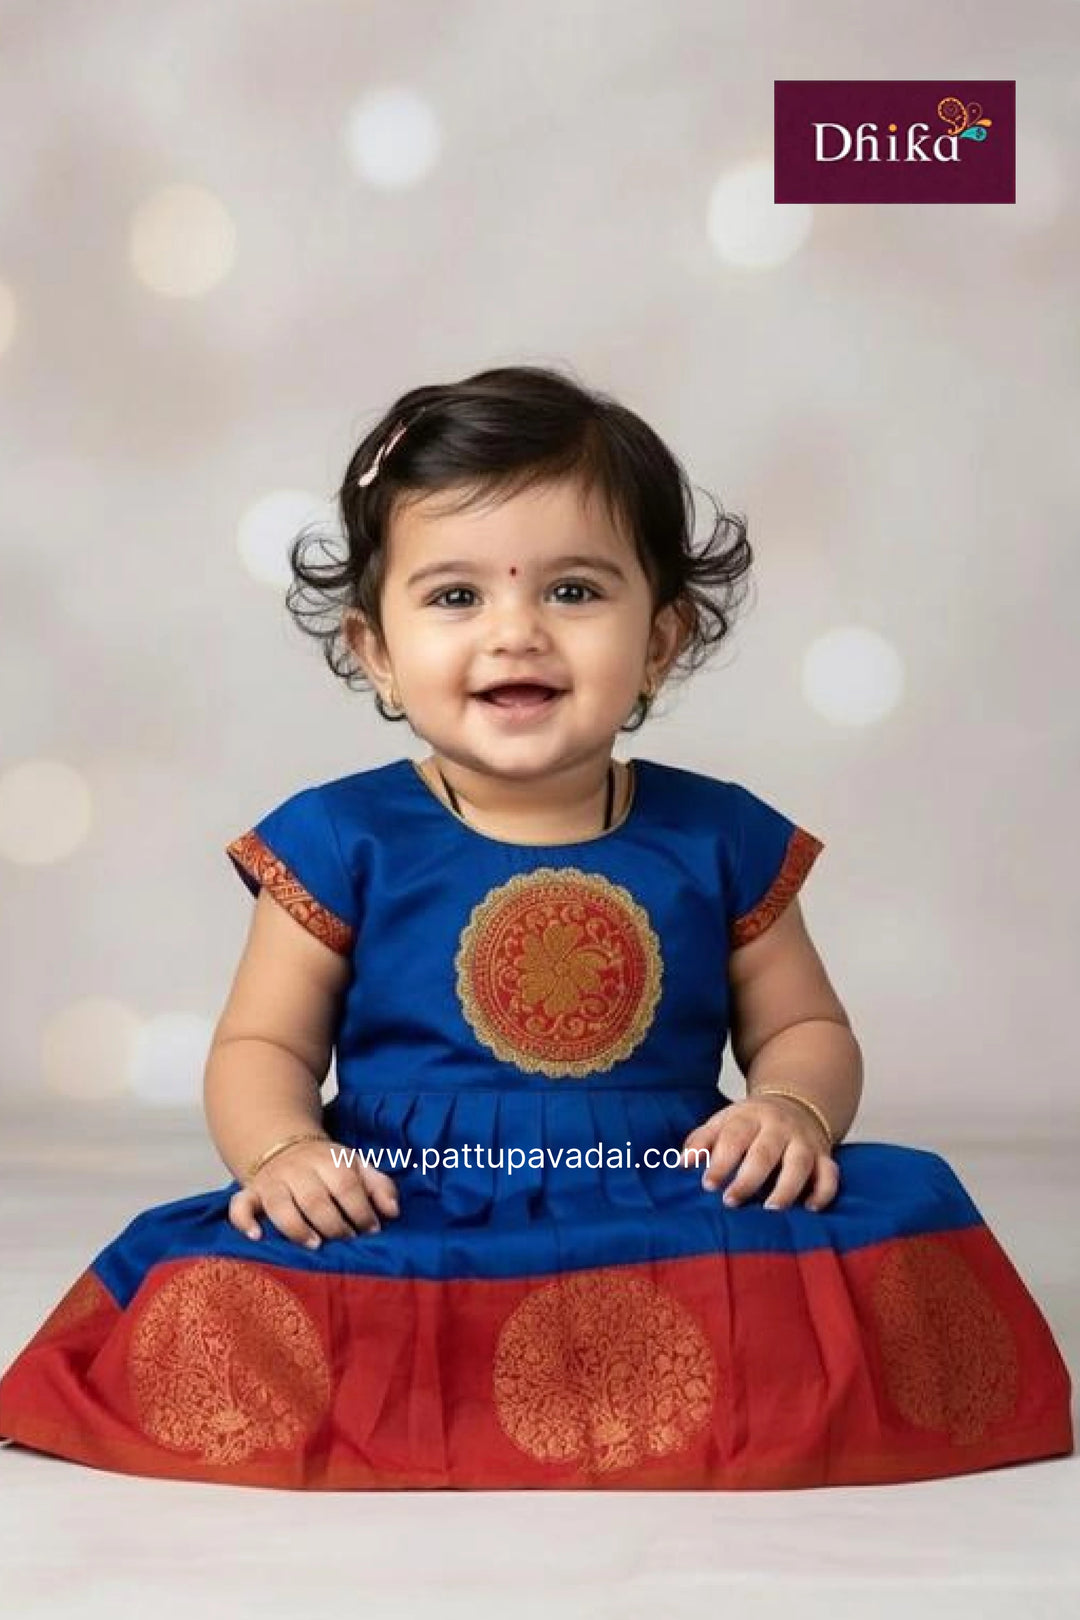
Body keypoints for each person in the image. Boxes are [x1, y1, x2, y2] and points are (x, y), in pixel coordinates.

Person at [0, 364, 1071, 1490]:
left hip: (662, 1183)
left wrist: (792, 1110)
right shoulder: (339, 837)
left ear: (661, 640)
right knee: (225, 1277)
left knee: (900, 1208)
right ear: (375, 649)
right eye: (456, 597)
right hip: (410, 1191)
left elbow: (807, 1026)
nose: (515, 633)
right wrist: (285, 1153)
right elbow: (261, 1049)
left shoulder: (719, 835)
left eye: (572, 591)